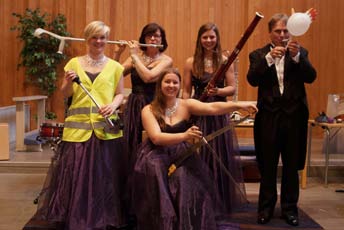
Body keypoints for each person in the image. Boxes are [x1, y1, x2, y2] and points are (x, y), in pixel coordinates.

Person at [129, 68, 257, 229]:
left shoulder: (186, 104)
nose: (171, 85)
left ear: (180, 85)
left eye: (175, 82)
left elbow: (213, 108)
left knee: (184, 179)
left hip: (182, 154)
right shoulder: (148, 109)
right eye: (167, 81)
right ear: (159, 85)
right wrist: (185, 135)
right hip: (156, 154)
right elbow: (156, 138)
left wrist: (240, 105)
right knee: (156, 173)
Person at [32, 21, 128, 229]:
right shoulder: (73, 64)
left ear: (107, 39)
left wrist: (113, 105)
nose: (99, 41)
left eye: (102, 37)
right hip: (77, 132)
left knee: (103, 177)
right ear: (87, 39)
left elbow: (120, 93)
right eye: (94, 37)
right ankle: (78, 217)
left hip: (104, 131)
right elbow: (65, 94)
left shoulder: (115, 67)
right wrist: (67, 82)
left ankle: (102, 217)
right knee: (78, 178)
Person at [246, 13, 316, 226]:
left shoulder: (300, 52)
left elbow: (311, 77)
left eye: (286, 31)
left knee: (291, 166)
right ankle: (265, 209)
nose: (282, 35)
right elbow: (252, 79)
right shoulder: (258, 55)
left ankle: (290, 209)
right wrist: (269, 59)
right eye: (278, 31)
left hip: (293, 118)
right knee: (267, 166)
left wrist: (297, 58)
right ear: (270, 33)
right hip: (268, 117)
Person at [182, 22, 246, 213]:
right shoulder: (190, 62)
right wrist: (188, 109)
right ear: (199, 39)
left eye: (212, 37)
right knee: (200, 156)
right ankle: (199, 201)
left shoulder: (225, 60)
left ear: (217, 38)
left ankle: (218, 202)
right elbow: (185, 91)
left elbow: (232, 88)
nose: (208, 40)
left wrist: (218, 90)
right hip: (200, 113)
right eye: (205, 37)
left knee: (219, 155)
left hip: (218, 114)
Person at [113, 22, 173, 163]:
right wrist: (117, 53)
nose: (153, 39)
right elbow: (115, 74)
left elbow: (149, 77)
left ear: (162, 40)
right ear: (143, 39)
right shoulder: (136, 56)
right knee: (132, 142)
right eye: (149, 36)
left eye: (157, 36)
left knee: (151, 141)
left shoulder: (166, 60)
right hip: (134, 105)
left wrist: (134, 57)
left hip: (155, 104)